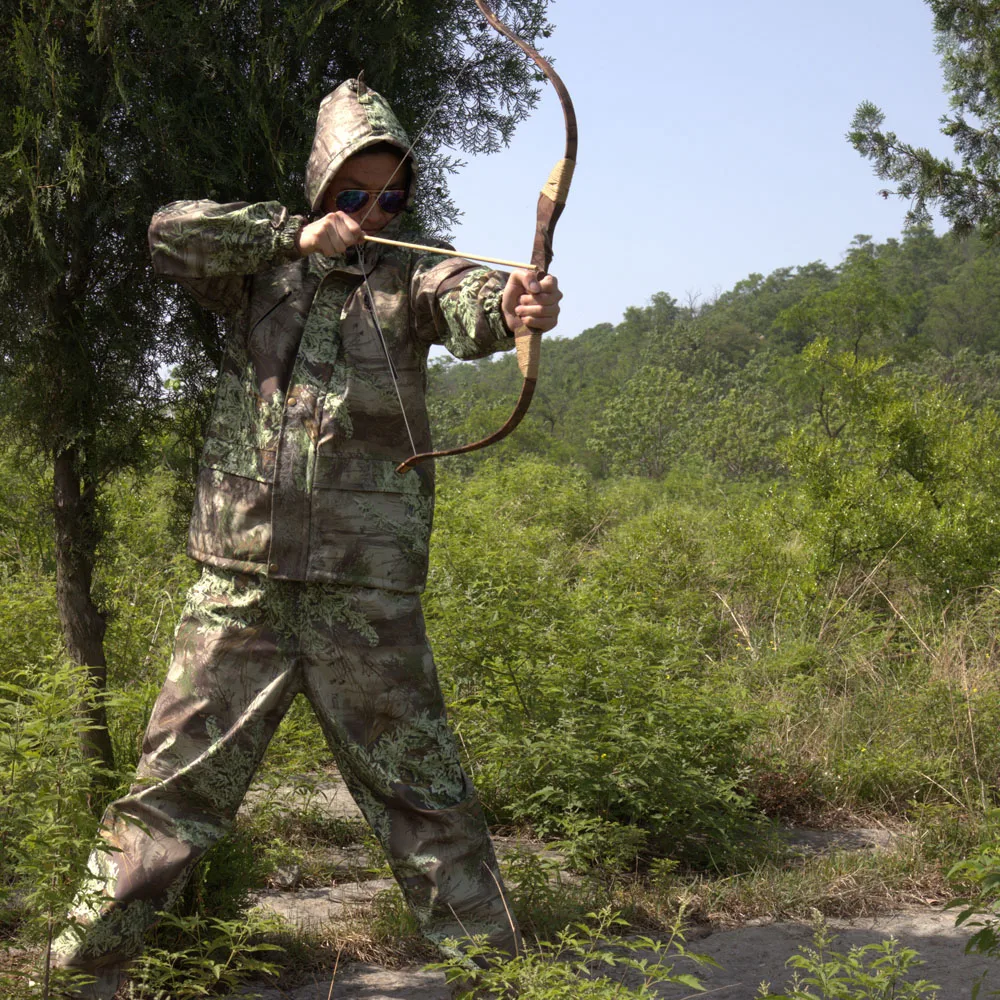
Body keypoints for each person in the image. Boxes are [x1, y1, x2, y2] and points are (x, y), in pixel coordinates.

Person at [52, 76, 561, 999]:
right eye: (354, 194)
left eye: (392, 195)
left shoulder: (415, 274)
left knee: (428, 802)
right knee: (169, 794)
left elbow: (473, 301)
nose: (375, 211)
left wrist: (516, 308)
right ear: (321, 187)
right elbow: (169, 232)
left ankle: (498, 984)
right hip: (239, 581)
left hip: (364, 593)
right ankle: (84, 978)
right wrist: (294, 235)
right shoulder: (262, 269)